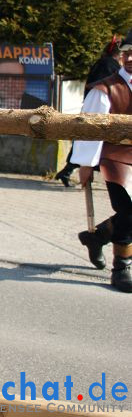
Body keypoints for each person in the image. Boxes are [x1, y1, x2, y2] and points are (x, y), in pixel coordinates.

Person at [69, 29, 132, 292]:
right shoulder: (105, 88)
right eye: (127, 53)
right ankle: (122, 269)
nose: (129, 59)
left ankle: (97, 238)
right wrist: (85, 164)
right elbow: (90, 128)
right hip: (115, 158)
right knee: (129, 211)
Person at [54, 35, 122, 187]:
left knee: (86, 142)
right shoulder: (108, 65)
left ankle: (67, 171)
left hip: (98, 109)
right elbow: (103, 89)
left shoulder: (106, 63)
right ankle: (71, 171)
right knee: (88, 143)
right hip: (98, 110)